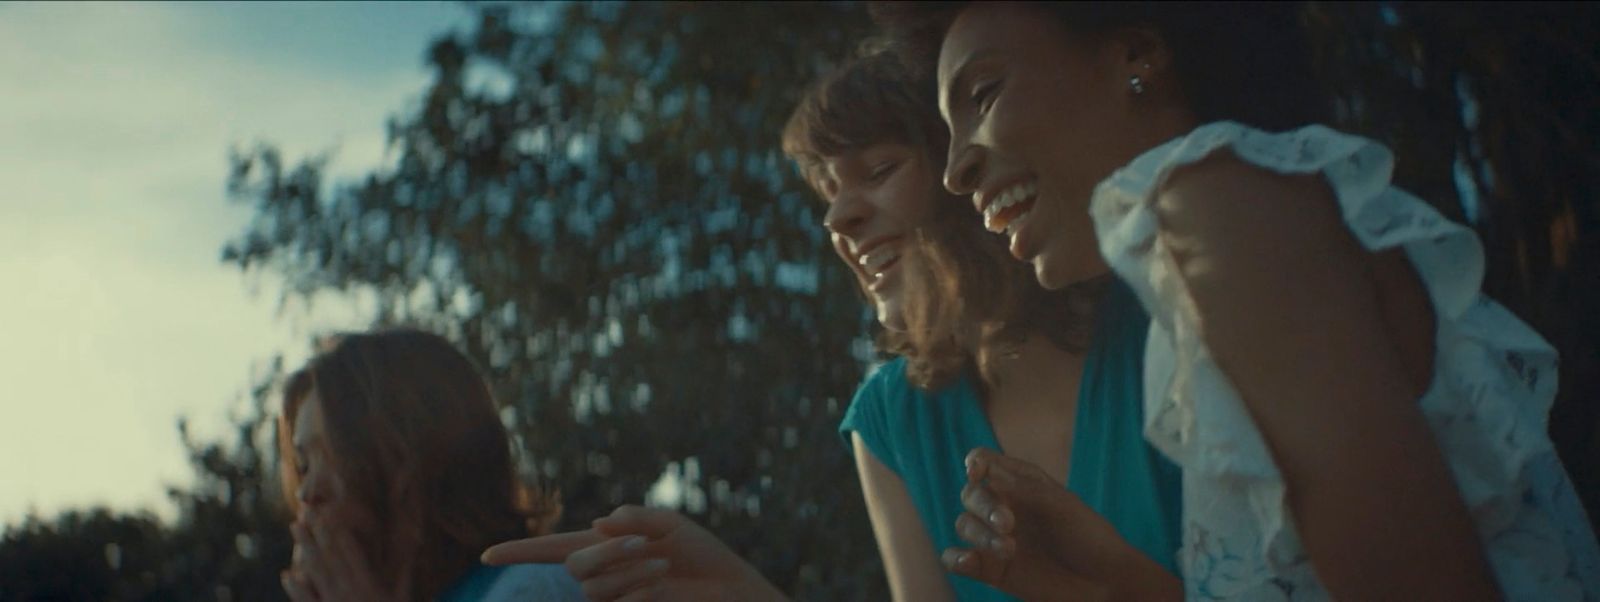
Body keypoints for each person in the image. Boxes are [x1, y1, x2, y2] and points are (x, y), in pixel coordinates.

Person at [871, 1, 1600, 600]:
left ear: (1136, 55)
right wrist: (1123, 588)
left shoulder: (1216, 207)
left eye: (984, 94)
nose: (956, 171)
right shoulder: (1225, 231)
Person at [484, 49, 1183, 602]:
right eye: (828, 191)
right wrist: (741, 592)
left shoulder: (1168, 320)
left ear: (973, 165)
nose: (838, 220)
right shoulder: (890, 420)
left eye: (877, 170)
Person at [277, 329, 585, 601]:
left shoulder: (532, 590)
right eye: (304, 465)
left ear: (423, 458)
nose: (307, 492)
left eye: (339, 455)